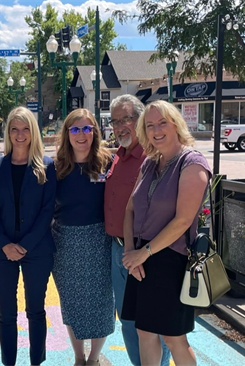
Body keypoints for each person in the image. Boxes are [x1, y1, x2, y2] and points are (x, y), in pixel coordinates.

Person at [122, 100, 211, 366]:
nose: (156, 130)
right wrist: (130, 253)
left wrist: (143, 253)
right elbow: (129, 210)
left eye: (162, 123)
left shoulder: (192, 163)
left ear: (176, 124)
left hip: (170, 259)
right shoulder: (150, 163)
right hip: (140, 258)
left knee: (174, 338)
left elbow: (183, 220)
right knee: (144, 332)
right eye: (150, 125)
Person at [0, 106, 56, 366]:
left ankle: (36, 362)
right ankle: (9, 362)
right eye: (14, 129)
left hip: (36, 251)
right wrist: (5, 244)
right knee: (6, 314)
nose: (20, 134)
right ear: (8, 132)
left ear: (33, 131)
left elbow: (48, 210)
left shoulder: (46, 166)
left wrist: (24, 246)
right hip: (2, 251)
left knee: (35, 311)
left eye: (25, 128)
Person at [104, 95, 171, 366]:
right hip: (119, 251)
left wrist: (138, 251)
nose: (120, 127)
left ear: (139, 120)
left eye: (126, 119)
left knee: (152, 324)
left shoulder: (153, 156)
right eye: (115, 121)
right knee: (128, 321)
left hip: (147, 253)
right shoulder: (117, 157)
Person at [52, 108, 113, 366]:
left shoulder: (108, 162)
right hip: (65, 242)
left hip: (100, 239)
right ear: (67, 134)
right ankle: (79, 357)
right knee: (72, 302)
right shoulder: (56, 166)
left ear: (94, 132)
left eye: (87, 128)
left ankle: (94, 358)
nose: (81, 134)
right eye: (75, 129)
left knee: (101, 301)